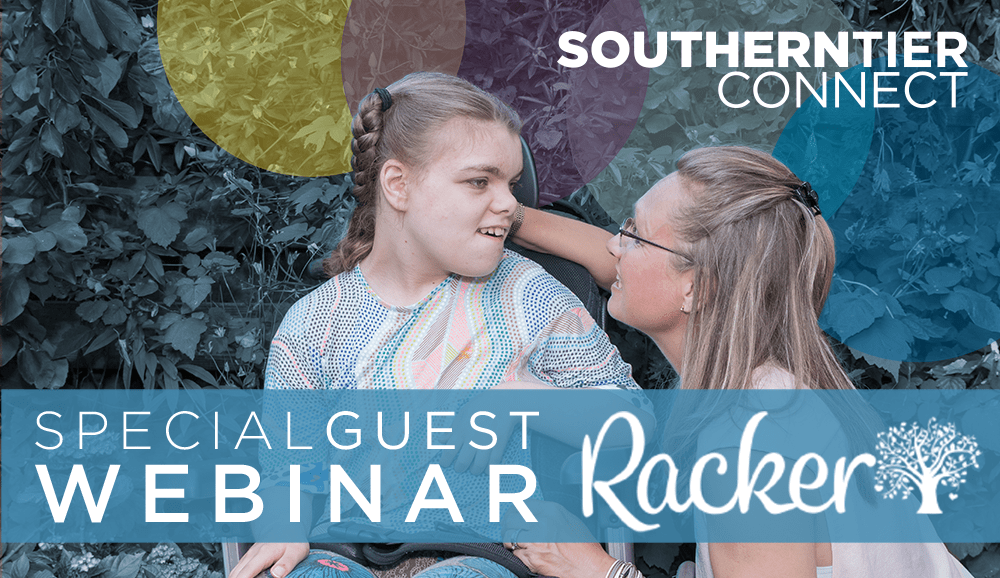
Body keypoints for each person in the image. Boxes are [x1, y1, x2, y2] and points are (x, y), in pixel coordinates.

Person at [228, 72, 651, 578]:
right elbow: (288, 466)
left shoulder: (523, 293)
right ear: (398, 185)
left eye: (511, 185)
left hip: (481, 556)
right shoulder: (316, 323)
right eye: (479, 181)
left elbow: (632, 422)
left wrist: (511, 396)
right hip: (347, 556)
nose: (509, 204)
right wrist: (283, 528)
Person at [504, 146, 973, 578]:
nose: (613, 246)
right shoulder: (773, 384)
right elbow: (635, 271)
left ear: (697, 288)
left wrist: (594, 568)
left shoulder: (750, 453)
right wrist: (507, 215)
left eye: (634, 235)